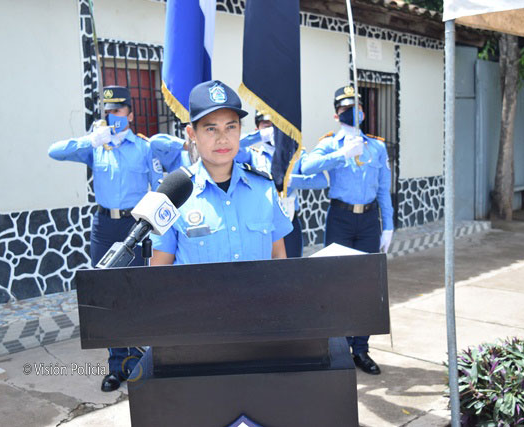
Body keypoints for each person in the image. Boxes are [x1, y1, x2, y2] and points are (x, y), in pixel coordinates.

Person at [48, 85, 181, 392]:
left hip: (135, 225)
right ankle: (116, 366)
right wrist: (91, 139)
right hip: (104, 225)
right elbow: (55, 151)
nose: (113, 116)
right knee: (107, 294)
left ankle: (139, 361)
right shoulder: (96, 146)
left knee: (136, 293)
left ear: (130, 115)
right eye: (108, 112)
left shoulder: (144, 148)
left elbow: (161, 184)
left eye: (118, 111)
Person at [301, 85, 394, 375]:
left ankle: (361, 349)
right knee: (336, 283)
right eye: (346, 108)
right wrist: (342, 153)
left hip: (368, 220)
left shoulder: (376, 147)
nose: (353, 112)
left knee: (365, 285)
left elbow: (383, 190)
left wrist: (389, 225)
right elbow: (307, 166)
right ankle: (338, 346)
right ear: (336, 114)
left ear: (363, 111)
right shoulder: (330, 143)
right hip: (340, 218)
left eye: (357, 107)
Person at [150, 80, 293, 266]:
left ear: (240, 130)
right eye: (211, 129)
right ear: (192, 134)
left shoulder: (263, 189)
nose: (222, 139)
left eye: (230, 127)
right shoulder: (174, 196)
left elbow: (279, 258)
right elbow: (159, 270)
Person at [235, 111, 328, 257]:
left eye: (276, 125)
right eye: (266, 125)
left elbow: (321, 181)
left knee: (292, 266)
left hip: (289, 221)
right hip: (261, 222)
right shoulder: (252, 155)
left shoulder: (296, 154)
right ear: (257, 128)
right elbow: (233, 144)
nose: (273, 130)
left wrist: (290, 180)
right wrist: (260, 136)